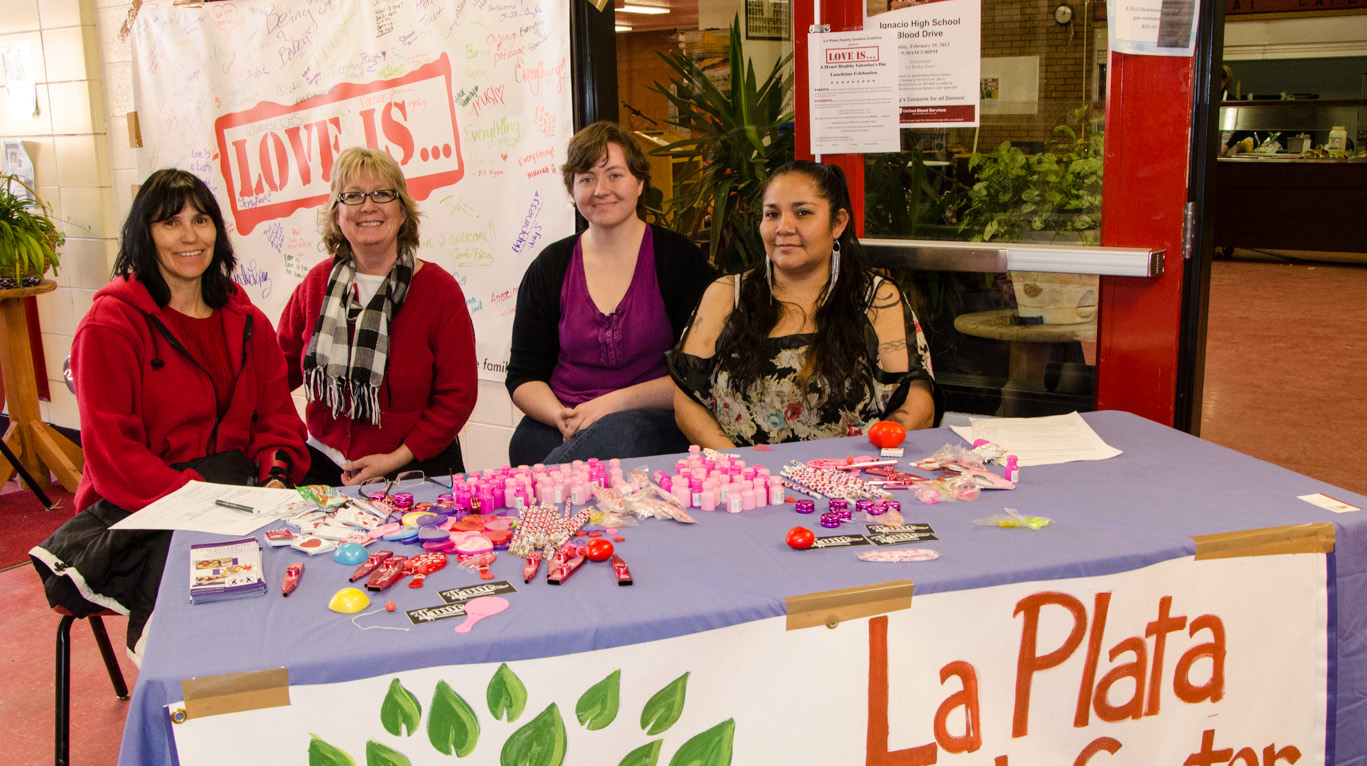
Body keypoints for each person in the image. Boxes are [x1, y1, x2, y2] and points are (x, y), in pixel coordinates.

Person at [32, 168, 309, 650]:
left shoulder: (247, 321)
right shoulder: (109, 325)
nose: (189, 236)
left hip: (239, 492)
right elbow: (115, 456)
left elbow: (277, 421)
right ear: (145, 234)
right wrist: (206, 502)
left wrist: (275, 480)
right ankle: (190, 690)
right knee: (195, 572)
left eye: (201, 220)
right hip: (140, 506)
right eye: (170, 223)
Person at [668, 161, 941, 449]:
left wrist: (871, 455)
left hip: (852, 481)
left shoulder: (876, 298)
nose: (784, 227)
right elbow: (687, 402)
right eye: (772, 214)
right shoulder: (725, 296)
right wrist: (744, 467)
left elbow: (917, 403)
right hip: (746, 484)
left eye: (803, 213)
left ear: (838, 223)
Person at [505, 121, 714, 466]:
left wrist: (609, 405)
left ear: (640, 182)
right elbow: (523, 375)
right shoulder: (550, 266)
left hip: (646, 419)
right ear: (572, 190)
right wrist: (559, 415)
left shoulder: (677, 258)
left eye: (615, 175)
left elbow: (696, 375)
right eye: (586, 178)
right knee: (526, 446)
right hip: (565, 418)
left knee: (620, 440)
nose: (601, 189)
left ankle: (545, 513)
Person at [279, 147, 477, 485]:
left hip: (416, 468)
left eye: (382, 194)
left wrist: (393, 460)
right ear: (337, 214)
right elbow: (273, 376)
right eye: (353, 196)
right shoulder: (315, 285)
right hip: (324, 468)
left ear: (402, 212)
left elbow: (458, 396)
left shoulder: (439, 291)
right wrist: (285, 441)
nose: (368, 205)